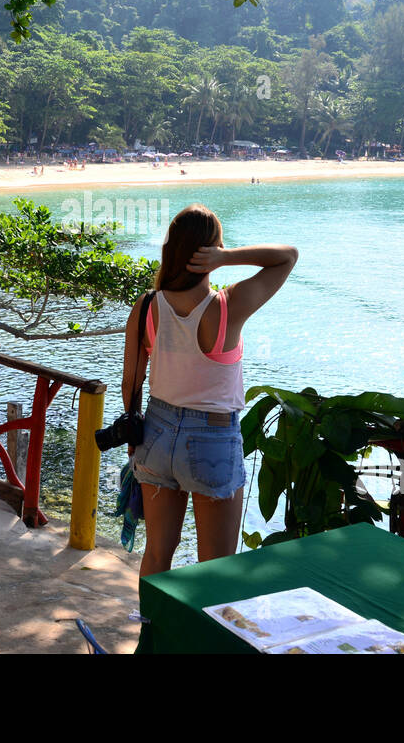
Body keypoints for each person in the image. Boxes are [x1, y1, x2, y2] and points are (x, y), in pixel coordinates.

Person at [121, 204, 297, 576]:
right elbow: (287, 257)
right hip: (211, 439)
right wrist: (226, 257)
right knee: (216, 568)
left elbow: (130, 382)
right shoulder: (227, 306)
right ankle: (200, 634)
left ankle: (152, 634)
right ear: (208, 253)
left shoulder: (147, 306)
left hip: (155, 433)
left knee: (156, 556)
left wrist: (135, 440)